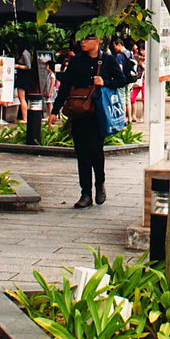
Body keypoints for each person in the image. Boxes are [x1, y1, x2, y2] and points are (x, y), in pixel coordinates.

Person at [55, 33, 110, 208]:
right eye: (82, 39)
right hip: (79, 113)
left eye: (87, 39)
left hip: (97, 114)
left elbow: (123, 79)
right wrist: (55, 110)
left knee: (96, 151)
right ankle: (85, 193)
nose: (83, 42)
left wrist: (105, 81)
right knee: (82, 154)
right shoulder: (77, 61)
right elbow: (65, 86)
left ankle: (100, 183)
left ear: (97, 41)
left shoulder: (107, 60)